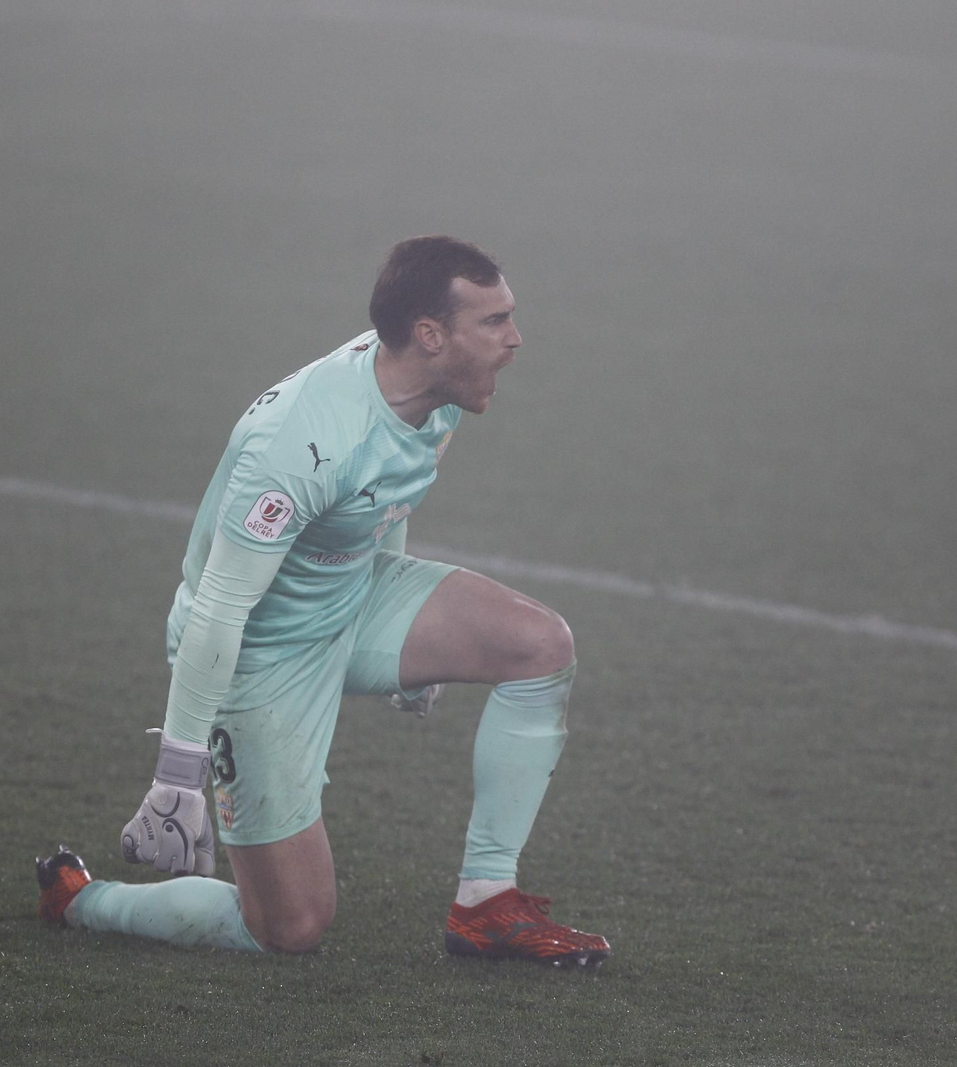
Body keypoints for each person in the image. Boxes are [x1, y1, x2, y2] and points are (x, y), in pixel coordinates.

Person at [36, 236, 609, 967]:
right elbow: (218, 609)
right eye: (494, 321)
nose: (515, 338)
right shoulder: (301, 444)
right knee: (290, 927)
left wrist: (415, 651)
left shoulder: (438, 389)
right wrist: (177, 778)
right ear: (431, 335)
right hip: (258, 653)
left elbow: (388, 495)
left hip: (353, 595)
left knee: (540, 645)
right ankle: (82, 898)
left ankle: (486, 904)